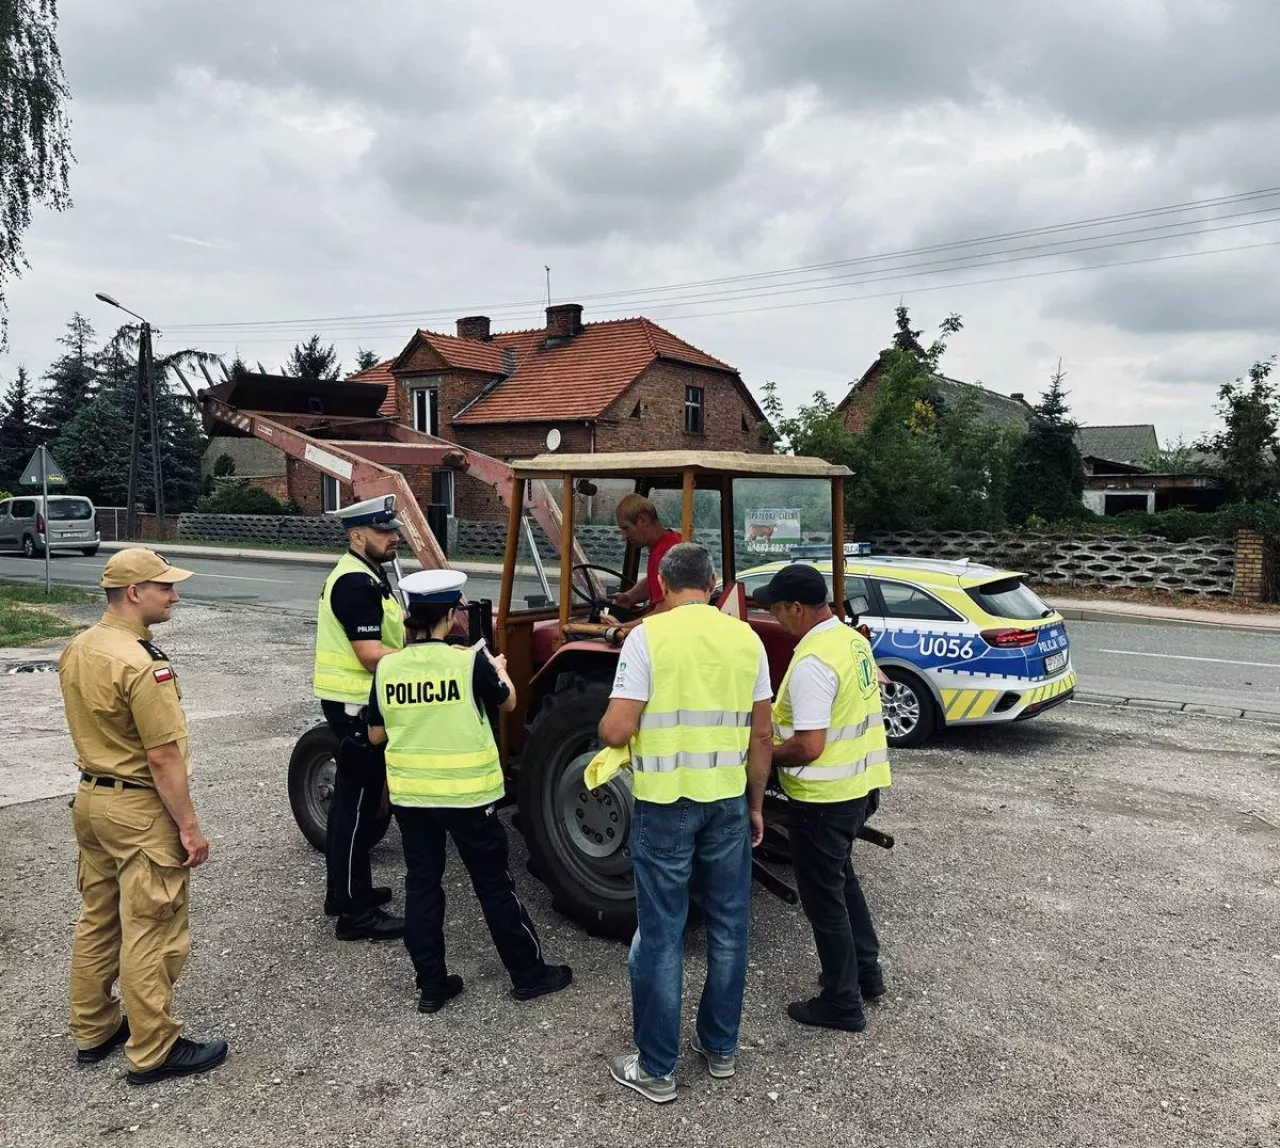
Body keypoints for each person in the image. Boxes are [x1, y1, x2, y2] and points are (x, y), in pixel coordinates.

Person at [598, 543, 774, 1103]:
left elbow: (618, 730)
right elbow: (762, 735)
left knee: (663, 933)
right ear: (715, 582)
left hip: (666, 801)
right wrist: (755, 805)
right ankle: (720, 1048)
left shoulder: (647, 637)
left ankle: (656, 1068)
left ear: (663, 585)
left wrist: (608, 723)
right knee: (728, 926)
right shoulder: (747, 638)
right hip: (725, 802)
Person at [365, 569, 573, 1012]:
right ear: (450, 615)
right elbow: (510, 702)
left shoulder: (388, 668)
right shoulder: (467, 661)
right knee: (494, 886)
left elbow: (376, 735)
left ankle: (432, 986)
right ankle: (528, 975)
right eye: (459, 607)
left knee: (422, 885)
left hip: (412, 799)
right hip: (467, 797)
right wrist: (499, 668)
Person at [58, 548, 228, 1085]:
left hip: (91, 799)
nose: (174, 596)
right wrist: (189, 827)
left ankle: (93, 1029)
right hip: (136, 807)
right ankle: (154, 1048)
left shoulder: (81, 647)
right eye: (165, 587)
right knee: (152, 927)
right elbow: (162, 756)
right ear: (134, 593)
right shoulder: (140, 662)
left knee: (99, 919)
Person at [754, 563, 893, 1033]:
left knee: (824, 901)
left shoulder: (814, 661)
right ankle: (867, 975)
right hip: (859, 787)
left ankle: (842, 1002)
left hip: (823, 800)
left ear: (796, 607)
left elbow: (810, 746)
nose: (776, 621)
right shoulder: (852, 642)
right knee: (843, 882)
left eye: (777, 611)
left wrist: (764, 756)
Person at [313, 494, 407, 941]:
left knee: (357, 804)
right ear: (357, 535)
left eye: (393, 530)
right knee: (356, 809)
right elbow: (371, 655)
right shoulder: (355, 582)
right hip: (355, 707)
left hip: (357, 703)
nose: (394, 538)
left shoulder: (369, 573)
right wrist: (424, 657)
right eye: (384, 531)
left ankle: (345, 894)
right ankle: (354, 914)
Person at [608, 494, 682, 617]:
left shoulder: (665, 554)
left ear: (643, 520)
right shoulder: (671, 540)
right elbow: (655, 582)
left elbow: (662, 614)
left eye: (626, 528)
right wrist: (628, 597)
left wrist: (619, 629)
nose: (624, 536)